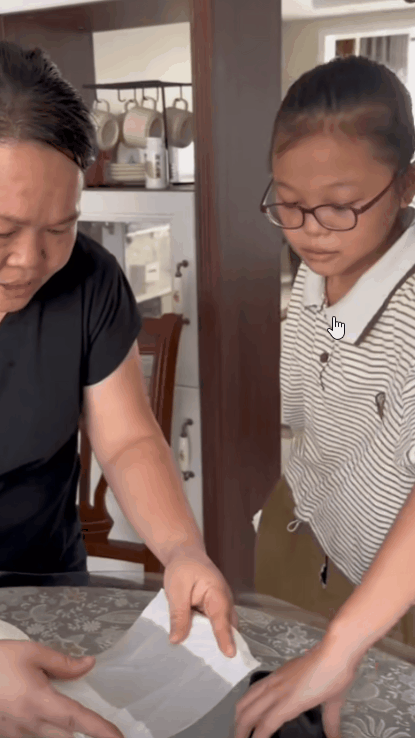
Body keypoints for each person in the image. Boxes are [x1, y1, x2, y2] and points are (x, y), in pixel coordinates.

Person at [0, 41, 238, 738]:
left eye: (60, 228)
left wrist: (183, 549)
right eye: (2, 230)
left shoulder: (91, 280)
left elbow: (129, 439)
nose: (31, 260)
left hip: (47, 584)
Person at [234, 55, 415, 738]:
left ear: (406, 185)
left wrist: (342, 645)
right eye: (287, 203)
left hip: (382, 588)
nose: (309, 229)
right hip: (299, 532)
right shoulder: (315, 274)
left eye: (340, 206)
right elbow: (319, 378)